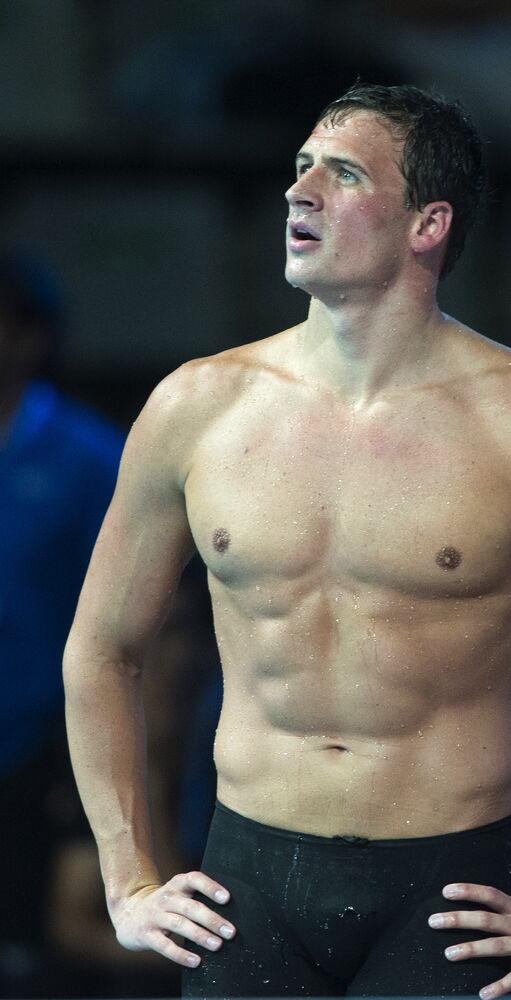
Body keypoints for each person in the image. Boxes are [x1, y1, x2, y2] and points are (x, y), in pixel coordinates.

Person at [63, 83, 511, 999]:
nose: (300, 192)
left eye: (341, 174)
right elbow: (102, 649)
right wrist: (126, 879)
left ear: (428, 224)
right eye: (300, 168)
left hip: (446, 898)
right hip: (245, 886)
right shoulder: (196, 408)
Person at [0, 253, 124, 995]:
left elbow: (123, 623)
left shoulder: (89, 457)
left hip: (42, 749)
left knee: (29, 950)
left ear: (30, 338)